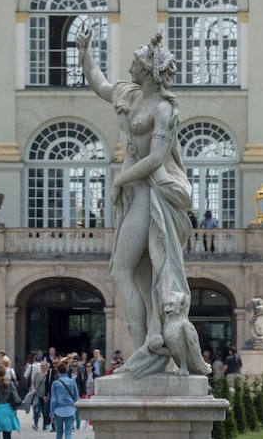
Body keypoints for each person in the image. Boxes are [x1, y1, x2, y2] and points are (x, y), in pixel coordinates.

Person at [78, 27, 202, 377]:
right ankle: (154, 340)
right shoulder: (129, 95)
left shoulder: (164, 109)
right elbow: (98, 83)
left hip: (153, 192)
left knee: (121, 269)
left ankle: (148, 348)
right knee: (145, 275)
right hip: (137, 192)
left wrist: (120, 179)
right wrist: (85, 53)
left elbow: (157, 158)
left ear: (148, 70)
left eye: (135, 62)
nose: (130, 67)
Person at [0, 366, 21, 439]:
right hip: (8, 410)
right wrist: (15, 410)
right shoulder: (10, 383)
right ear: (5, 373)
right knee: (7, 434)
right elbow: (15, 397)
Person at [49, 362, 78, 439]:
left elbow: (53, 399)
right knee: (68, 433)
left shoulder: (55, 383)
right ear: (67, 370)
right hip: (70, 410)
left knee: (59, 433)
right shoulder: (72, 382)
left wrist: (51, 412)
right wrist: (76, 410)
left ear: (58, 371)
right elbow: (76, 397)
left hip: (58, 410)